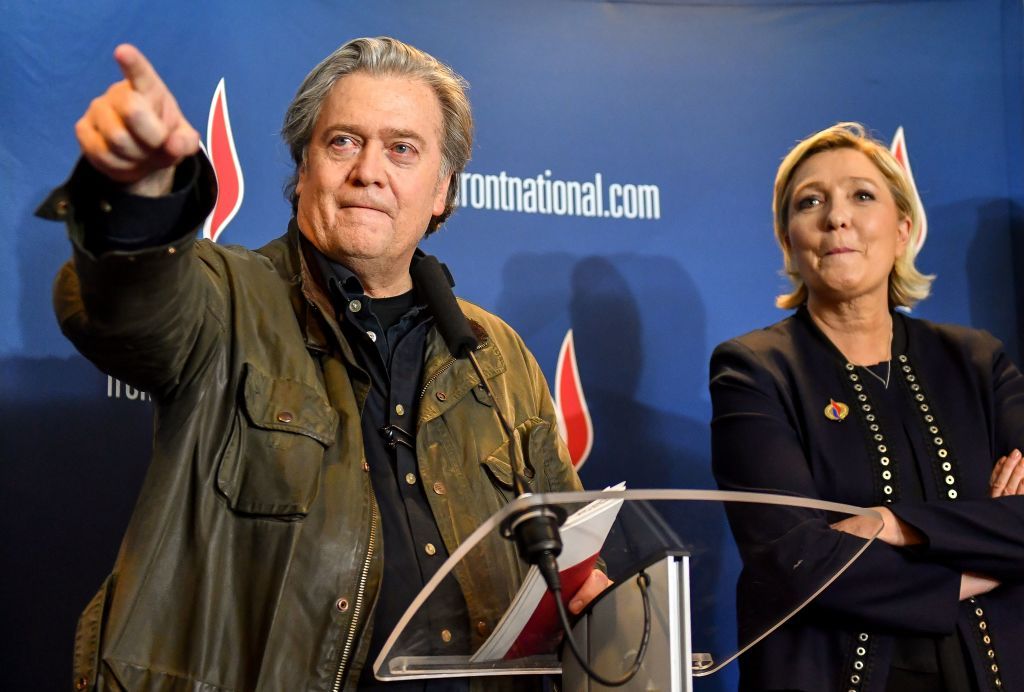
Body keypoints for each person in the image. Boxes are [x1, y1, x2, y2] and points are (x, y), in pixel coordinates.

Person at [40, 37, 609, 691]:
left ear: (442, 190)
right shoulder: (227, 298)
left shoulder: (497, 355)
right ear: (303, 169)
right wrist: (142, 199)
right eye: (342, 142)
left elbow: (568, 556)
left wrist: (594, 599)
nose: (369, 170)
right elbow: (126, 304)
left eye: (402, 149)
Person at [709, 122, 1024, 692]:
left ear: (903, 229)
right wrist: (986, 561)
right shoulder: (752, 368)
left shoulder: (979, 362)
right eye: (811, 202)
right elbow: (798, 561)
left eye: (861, 194)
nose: (837, 217)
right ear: (788, 240)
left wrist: (890, 524)